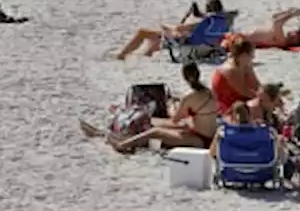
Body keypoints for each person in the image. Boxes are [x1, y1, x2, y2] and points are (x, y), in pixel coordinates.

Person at [84, 62, 220, 152]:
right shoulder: (209, 91)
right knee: (150, 121)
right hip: (205, 133)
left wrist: (171, 106)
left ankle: (121, 144)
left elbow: (174, 119)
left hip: (200, 140)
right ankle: (107, 133)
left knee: (154, 131)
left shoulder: (189, 97)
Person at [116, 0, 228, 59]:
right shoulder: (223, 21)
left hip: (190, 45)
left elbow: (178, 28)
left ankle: (121, 55)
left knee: (143, 32)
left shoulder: (205, 21)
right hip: (208, 46)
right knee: (158, 35)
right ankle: (146, 55)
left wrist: (166, 26)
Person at [211, 37, 261, 115]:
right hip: (225, 105)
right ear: (243, 55)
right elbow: (245, 92)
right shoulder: (230, 70)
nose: (253, 58)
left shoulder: (245, 64)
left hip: (238, 100)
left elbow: (256, 85)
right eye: (251, 55)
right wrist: (267, 98)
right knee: (259, 104)